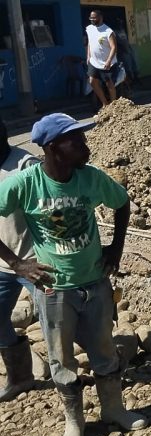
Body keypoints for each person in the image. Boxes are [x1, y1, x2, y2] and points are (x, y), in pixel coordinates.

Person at [0, 113, 147, 436]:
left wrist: (116, 248)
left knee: (105, 350)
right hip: (54, 290)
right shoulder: (26, 184)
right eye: (75, 141)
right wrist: (16, 263)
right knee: (61, 360)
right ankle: (74, 423)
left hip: (95, 283)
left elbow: (122, 203)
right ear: (53, 148)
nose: (85, 146)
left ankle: (113, 409)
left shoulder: (90, 178)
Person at [0, 118, 39, 403]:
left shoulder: (25, 166)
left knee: (62, 324)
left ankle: (108, 362)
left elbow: (51, 212)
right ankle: (21, 378)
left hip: (37, 262)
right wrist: (12, 262)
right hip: (5, 262)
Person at [85, 10, 119, 107]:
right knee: (92, 81)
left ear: (100, 17)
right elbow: (90, 43)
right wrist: (88, 56)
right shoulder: (89, 28)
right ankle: (104, 103)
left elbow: (114, 47)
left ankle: (113, 105)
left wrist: (109, 60)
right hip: (94, 61)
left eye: (94, 18)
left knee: (109, 83)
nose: (92, 20)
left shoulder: (108, 31)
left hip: (106, 62)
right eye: (90, 18)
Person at [114, 18, 139, 85]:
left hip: (128, 50)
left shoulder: (122, 30)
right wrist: (122, 50)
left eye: (121, 23)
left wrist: (130, 48)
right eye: (119, 23)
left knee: (134, 64)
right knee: (127, 67)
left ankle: (136, 79)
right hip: (123, 52)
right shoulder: (114, 32)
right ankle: (131, 82)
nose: (120, 24)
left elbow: (126, 40)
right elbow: (116, 43)